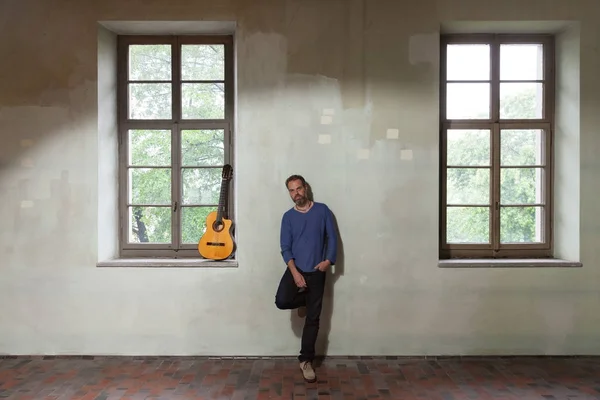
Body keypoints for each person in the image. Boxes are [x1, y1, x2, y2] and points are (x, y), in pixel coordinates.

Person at [275, 174, 338, 383]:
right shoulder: (288, 217)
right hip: (296, 268)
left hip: (317, 270)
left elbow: (332, 237)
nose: (296, 193)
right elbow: (285, 247)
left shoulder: (322, 210)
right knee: (282, 301)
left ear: (306, 188)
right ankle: (304, 301)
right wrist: (294, 272)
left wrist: (328, 261)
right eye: (292, 190)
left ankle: (305, 360)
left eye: (299, 188)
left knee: (313, 317)